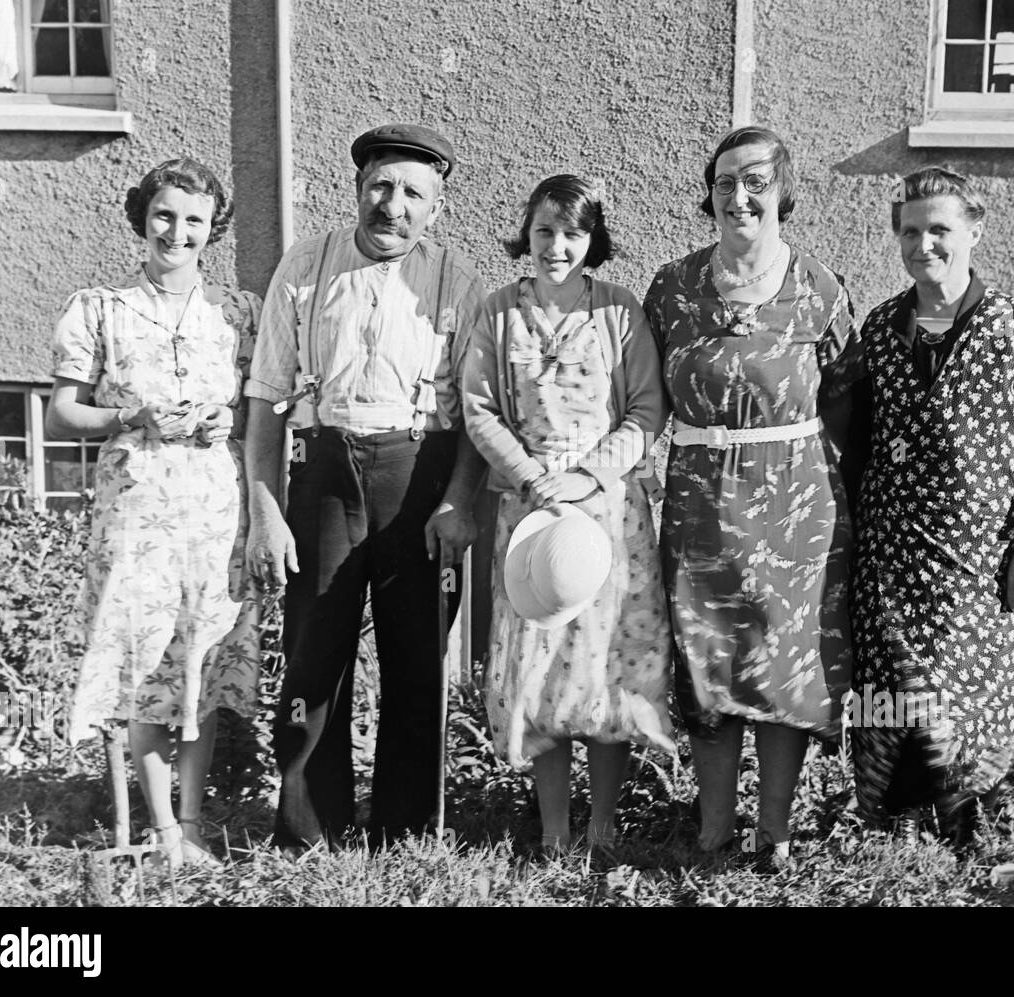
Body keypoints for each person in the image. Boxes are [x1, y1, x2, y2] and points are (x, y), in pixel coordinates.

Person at [244, 124, 486, 852]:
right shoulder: (307, 265)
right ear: (357, 188)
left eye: (414, 193)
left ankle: (405, 830)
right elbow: (264, 399)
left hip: (420, 476)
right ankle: (309, 830)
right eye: (381, 186)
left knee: (417, 661)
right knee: (314, 657)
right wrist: (264, 512)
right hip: (323, 472)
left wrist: (458, 500)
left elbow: (478, 415)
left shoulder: (457, 281)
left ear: (436, 208)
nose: (394, 205)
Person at [643, 127, 861, 866]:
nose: (740, 195)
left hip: (797, 510)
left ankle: (775, 829)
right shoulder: (671, 287)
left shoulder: (820, 290)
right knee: (708, 664)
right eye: (726, 181)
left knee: (783, 668)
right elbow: (642, 399)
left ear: (783, 193)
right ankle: (713, 827)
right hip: (700, 506)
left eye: (757, 181)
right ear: (709, 193)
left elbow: (848, 402)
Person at [849, 166, 1014, 844]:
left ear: (973, 230)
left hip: (980, 559)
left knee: (957, 695)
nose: (925, 244)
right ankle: (892, 833)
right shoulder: (882, 327)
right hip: (893, 553)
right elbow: (863, 438)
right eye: (912, 231)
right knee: (891, 692)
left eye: (940, 229)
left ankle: (960, 831)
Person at [47, 158, 262, 868]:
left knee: (198, 659)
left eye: (194, 219)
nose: (178, 231)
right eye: (165, 214)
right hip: (137, 513)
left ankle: (194, 823)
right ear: (143, 217)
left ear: (213, 230)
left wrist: (220, 417)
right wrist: (127, 410)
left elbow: (261, 408)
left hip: (211, 511)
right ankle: (165, 829)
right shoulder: (100, 308)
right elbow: (65, 408)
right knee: (146, 666)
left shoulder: (235, 313)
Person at [463, 175, 673, 854]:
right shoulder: (498, 312)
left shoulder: (618, 311)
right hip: (529, 512)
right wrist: (532, 476)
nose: (557, 245)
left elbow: (646, 409)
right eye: (545, 230)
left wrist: (586, 476)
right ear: (527, 231)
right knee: (543, 666)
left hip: (607, 513)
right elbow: (478, 407)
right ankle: (554, 829)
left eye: (572, 233)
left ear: (593, 240)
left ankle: (604, 825)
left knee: (605, 666)